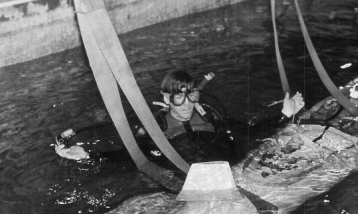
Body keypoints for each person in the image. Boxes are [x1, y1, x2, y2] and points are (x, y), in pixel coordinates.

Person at [55, 69, 235, 162]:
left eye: (192, 96)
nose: (187, 104)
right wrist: (88, 156)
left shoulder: (209, 115)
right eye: (179, 98)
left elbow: (235, 135)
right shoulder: (155, 127)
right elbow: (132, 156)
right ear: (166, 97)